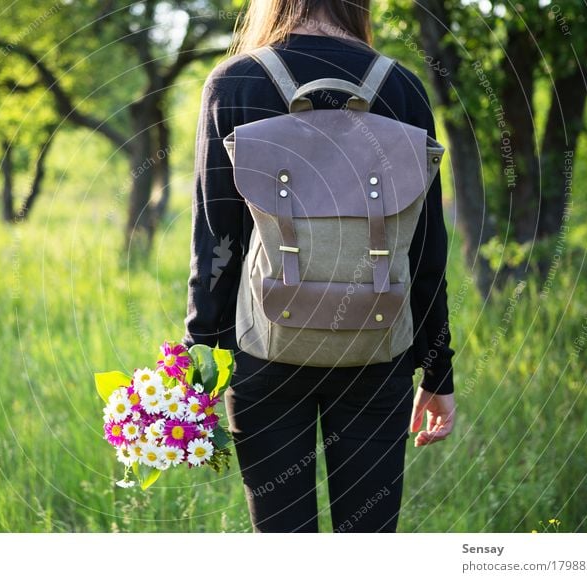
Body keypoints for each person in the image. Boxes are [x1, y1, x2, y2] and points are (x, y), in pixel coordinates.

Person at [181, 0, 456, 533]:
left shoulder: (235, 83)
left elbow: (216, 241)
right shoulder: (401, 87)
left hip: (265, 351)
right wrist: (438, 368)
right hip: (378, 351)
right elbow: (426, 247)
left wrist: (200, 366)